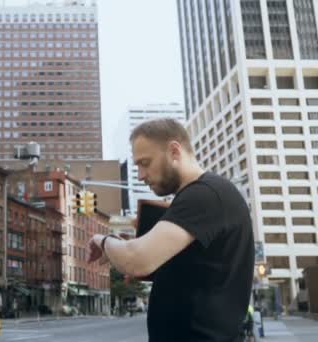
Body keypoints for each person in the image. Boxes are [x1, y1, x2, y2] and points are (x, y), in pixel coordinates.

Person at [87, 118, 254, 341]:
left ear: (174, 151)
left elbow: (137, 261)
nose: (141, 175)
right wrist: (124, 244)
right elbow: (169, 269)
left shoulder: (204, 195)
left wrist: (102, 240)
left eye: (145, 163)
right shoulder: (201, 196)